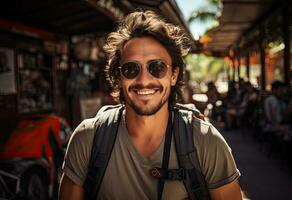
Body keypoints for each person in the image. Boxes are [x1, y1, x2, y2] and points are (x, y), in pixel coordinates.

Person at [59, 10, 242, 200]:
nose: (144, 79)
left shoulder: (206, 142)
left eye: (157, 67)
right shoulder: (87, 139)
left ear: (174, 75)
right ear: (119, 77)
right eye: (131, 69)